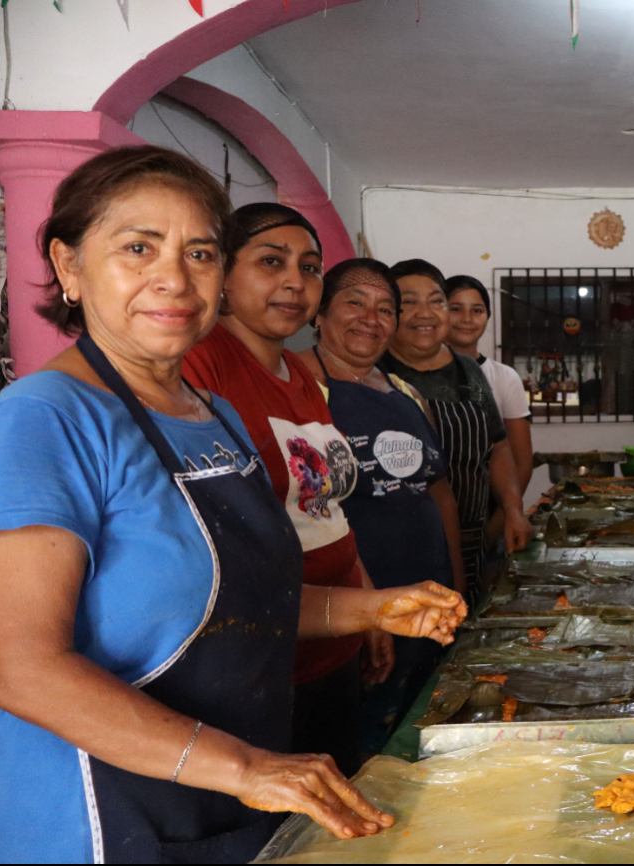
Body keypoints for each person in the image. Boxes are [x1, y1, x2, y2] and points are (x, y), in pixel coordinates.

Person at [0, 147, 465, 862]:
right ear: (69, 265)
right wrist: (243, 766)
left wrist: (373, 607)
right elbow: (16, 665)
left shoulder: (214, 416)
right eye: (138, 247)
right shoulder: (46, 417)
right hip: (95, 813)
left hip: (227, 790)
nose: (173, 278)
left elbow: (237, 605)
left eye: (200, 252)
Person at [184, 203, 391, 778]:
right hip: (262, 654)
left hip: (333, 641)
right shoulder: (202, 366)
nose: (294, 283)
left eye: (309, 268)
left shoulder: (299, 374)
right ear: (223, 273)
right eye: (271, 262)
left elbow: (323, 510)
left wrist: (366, 610)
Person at [298, 258, 465, 750]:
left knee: (418, 734)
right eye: (355, 302)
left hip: (424, 601)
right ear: (319, 315)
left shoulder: (406, 393)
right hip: (349, 608)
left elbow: (438, 493)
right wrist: (369, 615)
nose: (371, 318)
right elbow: (312, 512)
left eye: (385, 308)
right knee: (361, 745)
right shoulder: (302, 386)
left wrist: (455, 585)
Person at [381, 260, 530, 595]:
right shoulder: (374, 374)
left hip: (471, 544)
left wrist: (513, 510)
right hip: (398, 552)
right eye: (409, 303)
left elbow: (499, 447)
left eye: (436, 301)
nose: (426, 313)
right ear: (389, 313)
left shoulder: (467, 370)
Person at [445, 273, 534, 500]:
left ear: (487, 317)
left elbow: (522, 464)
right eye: (455, 308)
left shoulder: (505, 377)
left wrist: (500, 522)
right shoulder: (415, 376)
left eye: (477, 310)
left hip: (490, 510)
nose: (467, 318)